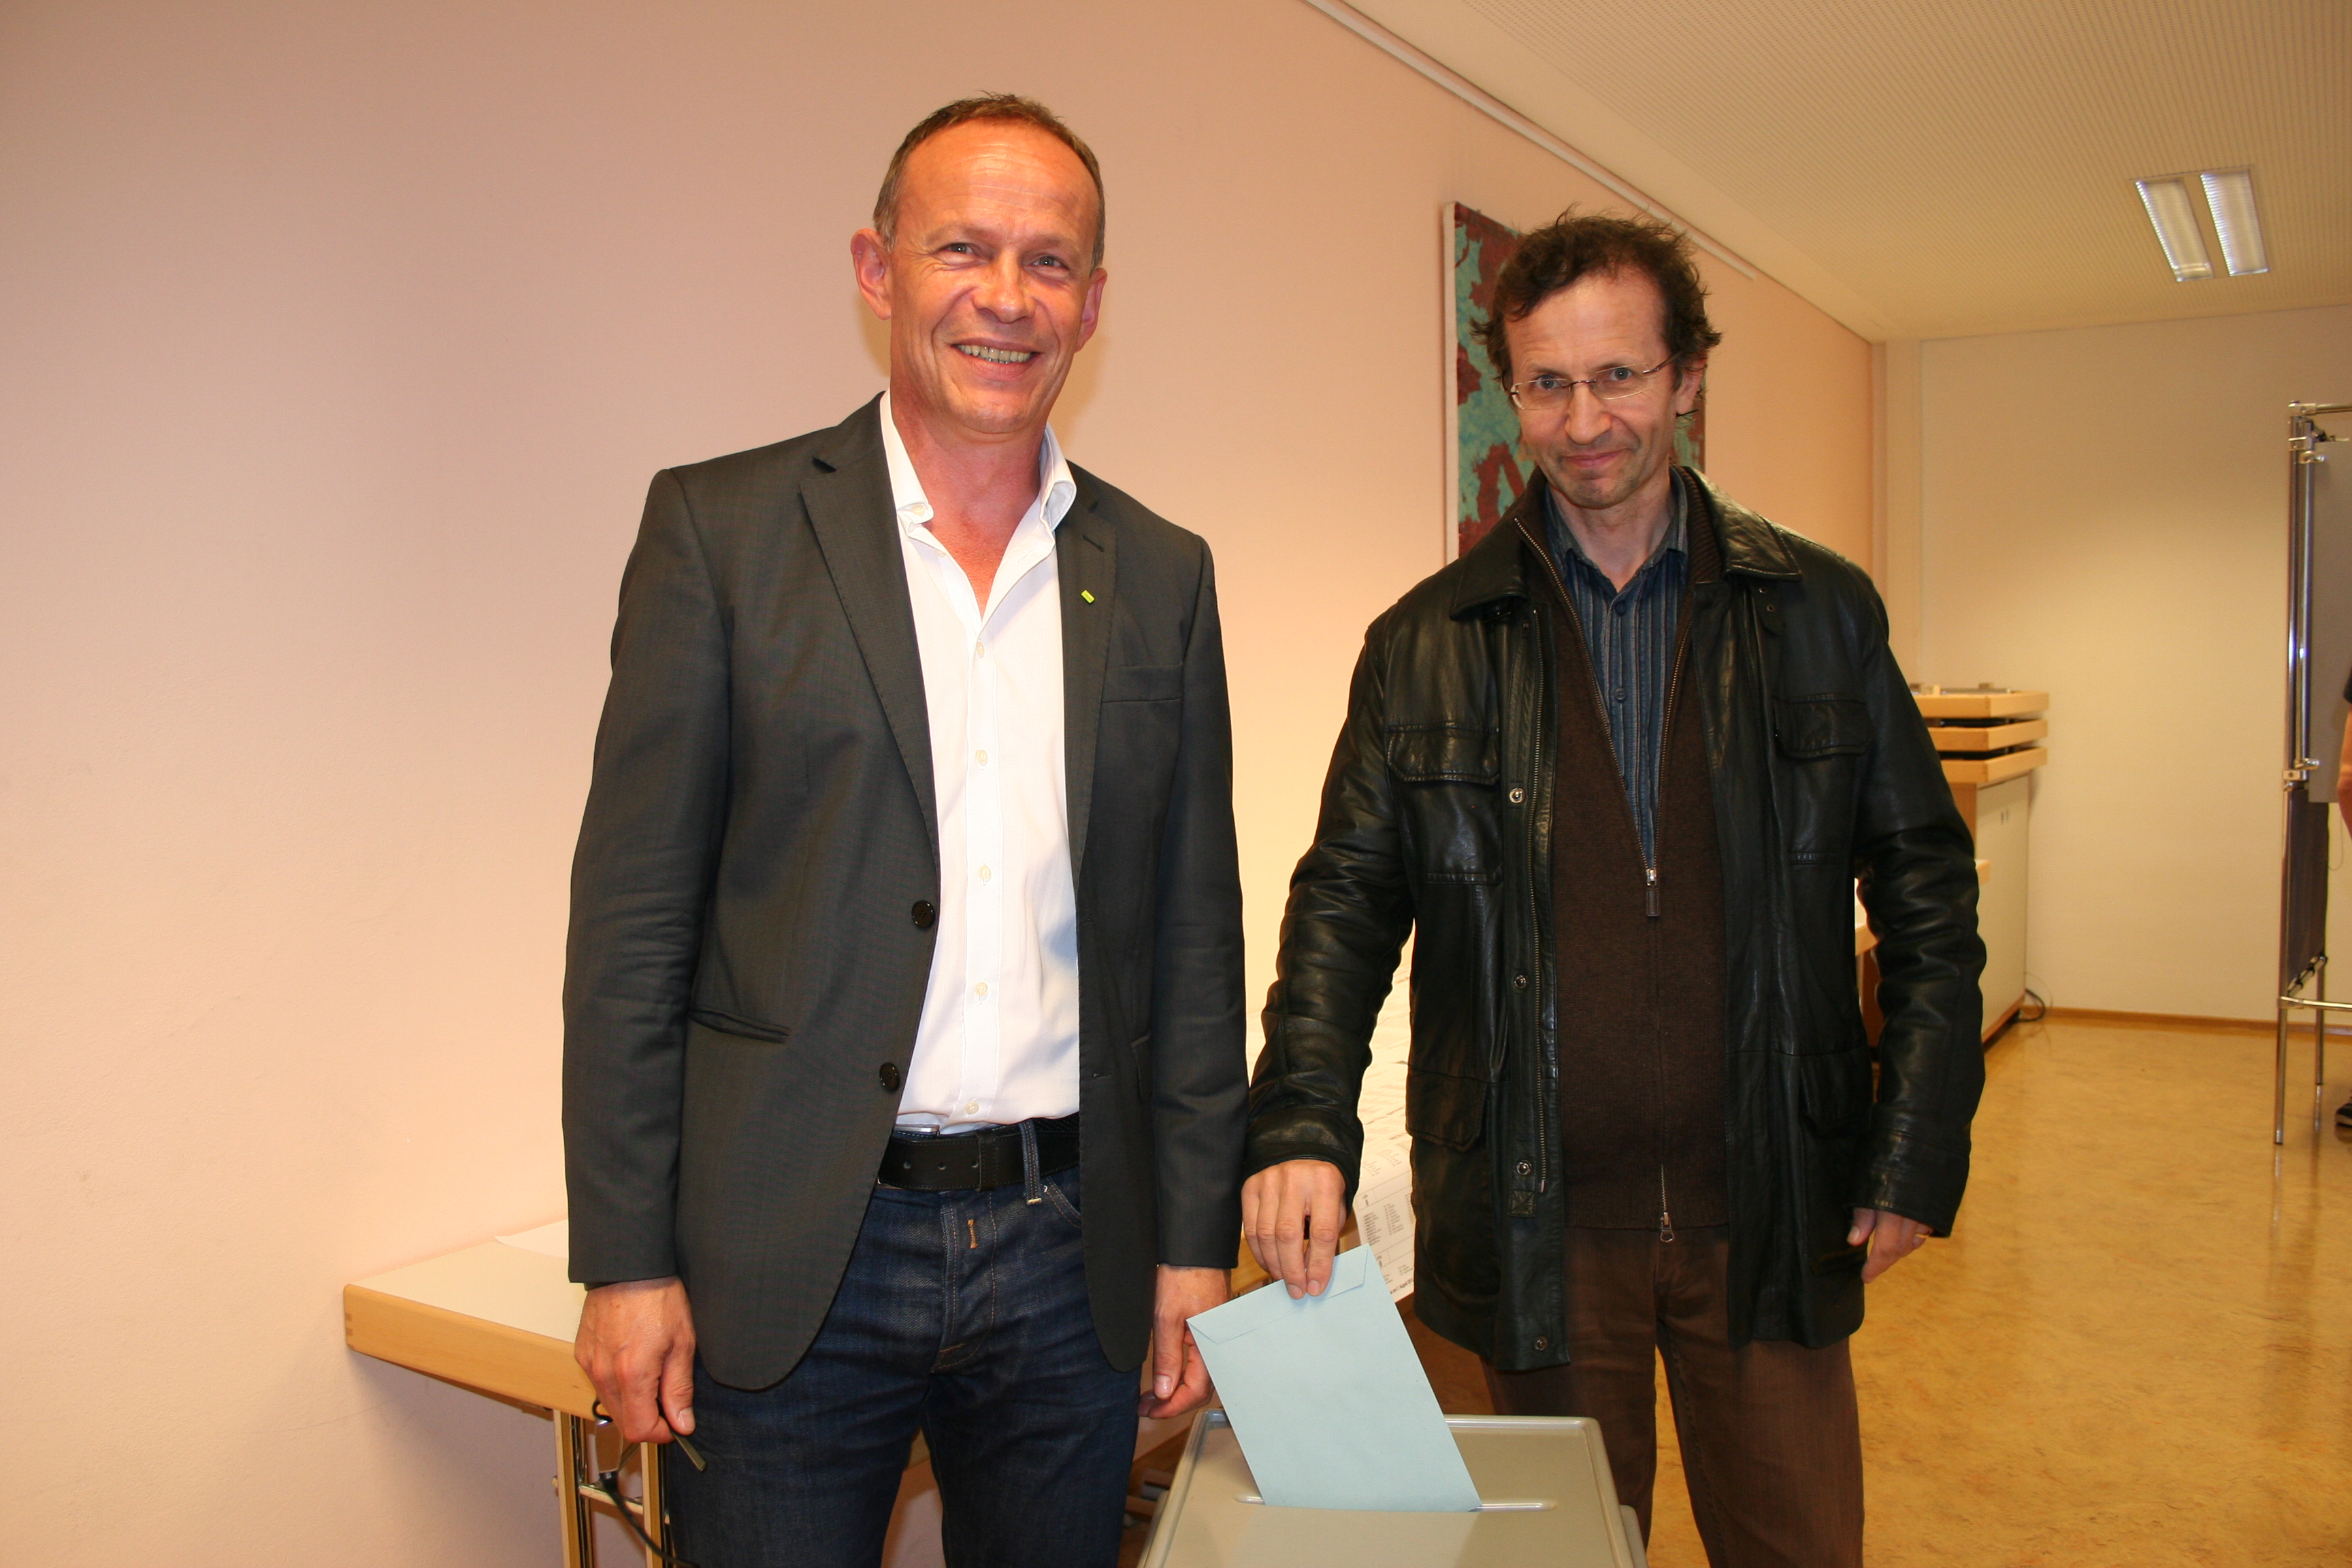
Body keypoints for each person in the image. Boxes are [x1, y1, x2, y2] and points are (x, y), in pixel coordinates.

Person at [1240, 210, 1985, 1567]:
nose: (1584, 422)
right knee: (1560, 1557)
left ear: (1688, 375)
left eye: (1619, 376)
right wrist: (1300, 1121)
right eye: (1547, 384)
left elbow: (1927, 893)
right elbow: (1343, 904)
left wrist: (1918, 1141)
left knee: (1800, 1547)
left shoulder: (1819, 614)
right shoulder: (1428, 643)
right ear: (1511, 392)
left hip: (1771, 1206)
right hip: (1536, 1222)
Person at [561, 95, 1244, 1568]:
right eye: (962, 250)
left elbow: (1194, 946)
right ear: (878, 270)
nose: (1008, 296)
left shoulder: (1162, 574)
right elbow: (632, 935)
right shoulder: (722, 535)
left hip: (1071, 1254)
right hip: (798, 1253)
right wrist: (624, 1261)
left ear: (1094, 304)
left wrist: (1195, 1247)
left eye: (1049, 262)